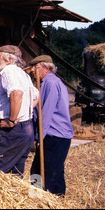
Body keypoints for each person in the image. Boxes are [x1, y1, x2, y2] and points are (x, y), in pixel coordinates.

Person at [0, 45, 39, 177]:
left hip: (10, 131)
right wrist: (23, 113)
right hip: (25, 128)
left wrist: (12, 120)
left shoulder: (9, 71)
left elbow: (17, 93)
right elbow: (36, 96)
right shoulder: (23, 75)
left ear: (9, 60)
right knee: (15, 173)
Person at [28, 55, 74, 196]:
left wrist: (38, 136)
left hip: (54, 135)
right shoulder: (48, 82)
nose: (31, 71)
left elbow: (45, 113)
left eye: (34, 67)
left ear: (45, 67)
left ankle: (45, 199)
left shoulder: (51, 83)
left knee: (46, 173)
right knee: (53, 170)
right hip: (55, 135)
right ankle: (58, 199)